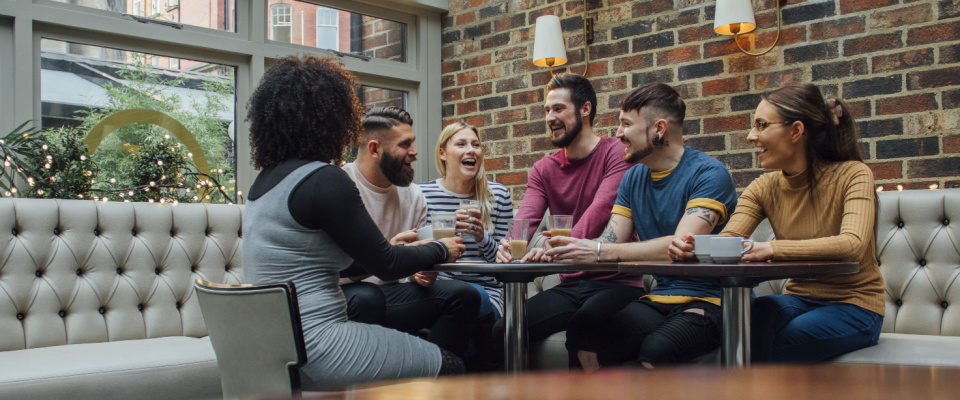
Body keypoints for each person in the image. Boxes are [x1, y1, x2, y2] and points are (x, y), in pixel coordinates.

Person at [242, 55, 466, 389]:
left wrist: (389, 249)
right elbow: (388, 266)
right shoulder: (324, 179)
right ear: (330, 119)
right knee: (451, 368)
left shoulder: (264, 183)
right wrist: (440, 248)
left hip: (275, 348)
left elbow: (329, 265)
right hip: (318, 345)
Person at [671, 83, 885, 362]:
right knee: (748, 319)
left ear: (796, 131)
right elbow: (732, 237)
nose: (751, 136)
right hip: (798, 300)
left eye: (761, 125)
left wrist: (772, 249)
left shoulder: (854, 174)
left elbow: (852, 245)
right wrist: (695, 247)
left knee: (766, 341)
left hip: (855, 307)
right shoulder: (764, 186)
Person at [548, 82, 738, 370]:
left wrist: (598, 251)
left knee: (656, 348)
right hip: (660, 297)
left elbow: (680, 245)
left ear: (658, 129)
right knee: (586, 337)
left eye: (626, 124)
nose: (618, 134)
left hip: (713, 301)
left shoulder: (709, 174)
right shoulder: (634, 177)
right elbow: (611, 241)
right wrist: (572, 249)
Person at [491, 73, 642, 367]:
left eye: (558, 108)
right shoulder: (543, 168)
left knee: (583, 326)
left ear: (585, 109)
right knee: (504, 330)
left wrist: (555, 247)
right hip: (570, 282)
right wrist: (508, 244)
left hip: (617, 282)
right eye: (547, 110)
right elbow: (526, 217)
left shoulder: (616, 153)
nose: (550, 117)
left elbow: (600, 210)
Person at [340, 106, 481, 360]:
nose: (414, 153)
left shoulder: (414, 195)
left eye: (413, 143)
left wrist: (420, 272)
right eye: (405, 145)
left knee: (465, 295)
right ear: (374, 149)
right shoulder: (339, 185)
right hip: (346, 295)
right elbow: (332, 267)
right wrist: (389, 253)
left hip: (392, 292)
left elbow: (414, 265)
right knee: (366, 297)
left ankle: (435, 377)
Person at [420, 121, 514, 370]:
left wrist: (482, 236)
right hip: (440, 286)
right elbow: (417, 249)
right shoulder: (422, 194)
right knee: (462, 303)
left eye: (476, 144)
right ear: (443, 152)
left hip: (488, 290)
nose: (470, 150)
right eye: (460, 144)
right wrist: (446, 231)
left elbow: (508, 259)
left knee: (474, 296)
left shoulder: (498, 195)